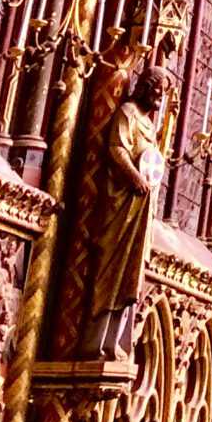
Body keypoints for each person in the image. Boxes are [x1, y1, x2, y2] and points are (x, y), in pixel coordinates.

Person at [82, 64, 165, 362]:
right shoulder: (128, 114)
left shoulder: (149, 124)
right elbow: (117, 149)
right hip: (122, 207)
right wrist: (135, 178)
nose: (161, 96)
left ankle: (114, 342)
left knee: (131, 276)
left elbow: (152, 161)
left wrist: (146, 181)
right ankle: (96, 340)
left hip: (141, 211)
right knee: (112, 270)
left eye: (164, 91)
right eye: (158, 89)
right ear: (146, 86)